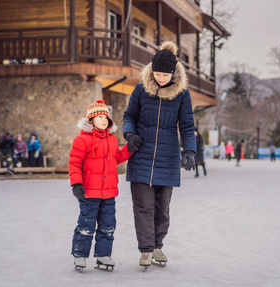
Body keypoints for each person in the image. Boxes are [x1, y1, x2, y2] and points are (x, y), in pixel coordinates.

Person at [122, 40, 196, 269]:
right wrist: (129, 134)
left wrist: (191, 150)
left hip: (168, 158)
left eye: (165, 74)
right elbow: (129, 116)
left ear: (173, 73)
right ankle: (145, 250)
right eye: (157, 73)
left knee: (162, 208)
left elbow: (187, 125)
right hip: (141, 156)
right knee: (143, 206)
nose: (161, 78)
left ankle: (157, 246)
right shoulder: (140, 89)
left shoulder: (181, 95)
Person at [69, 99, 141, 272]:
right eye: (99, 116)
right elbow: (74, 163)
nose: (103, 119)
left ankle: (103, 255)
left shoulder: (112, 139)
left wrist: (129, 149)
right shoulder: (82, 140)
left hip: (109, 193)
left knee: (108, 225)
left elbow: (117, 159)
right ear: (90, 120)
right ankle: (80, 254)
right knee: (86, 224)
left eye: (105, 117)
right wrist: (76, 183)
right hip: (89, 193)